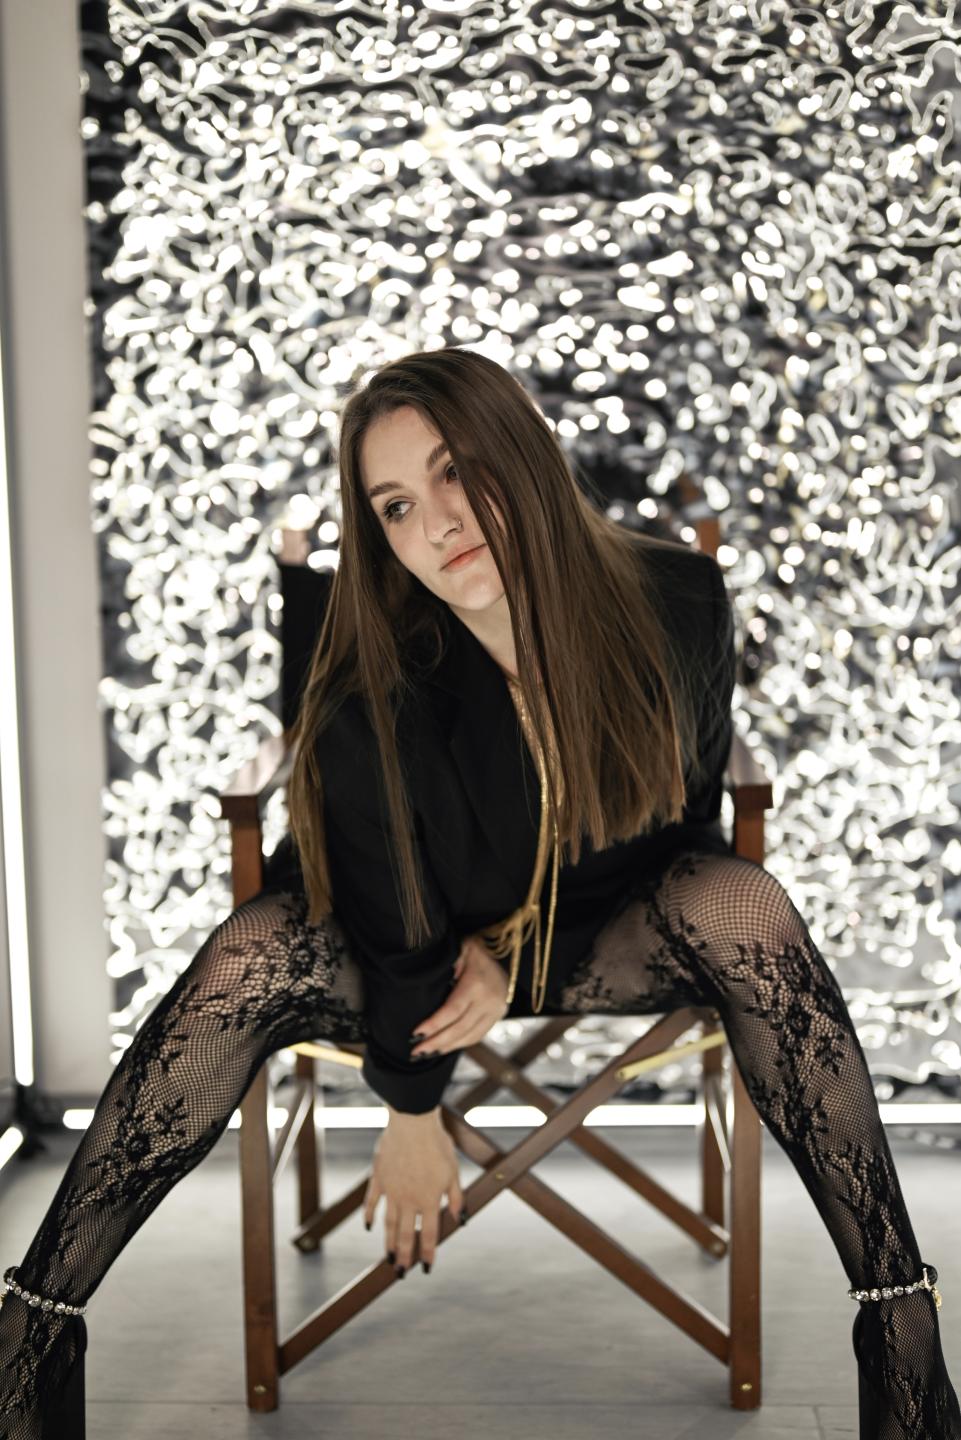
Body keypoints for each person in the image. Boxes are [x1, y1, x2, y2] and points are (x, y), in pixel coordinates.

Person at [0, 346, 958, 1440]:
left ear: (522, 452)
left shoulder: (678, 599)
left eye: (455, 470)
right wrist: (414, 1104)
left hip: (596, 924)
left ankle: (898, 1321)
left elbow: (673, 823)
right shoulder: (374, 666)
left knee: (745, 909)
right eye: (396, 506)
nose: (437, 523)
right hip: (402, 943)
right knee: (247, 954)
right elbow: (388, 892)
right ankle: (35, 1327)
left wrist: (516, 951)